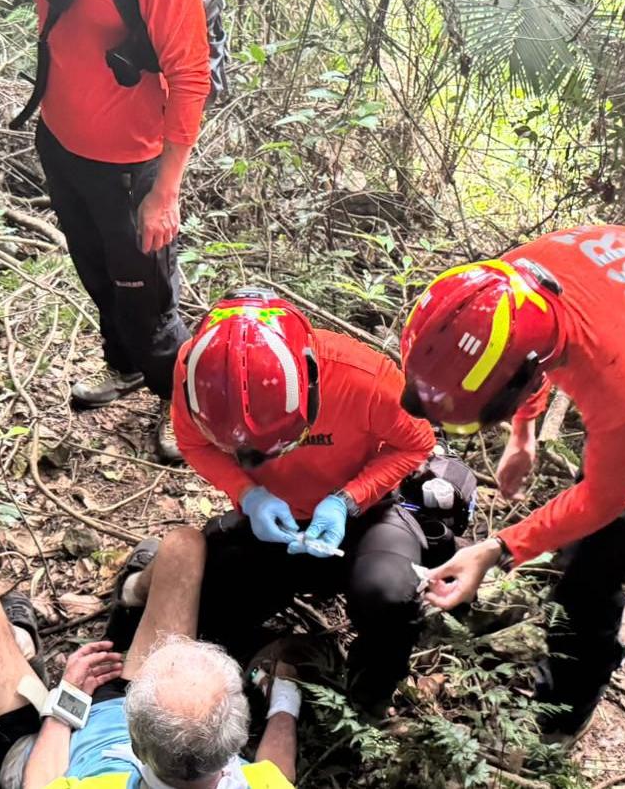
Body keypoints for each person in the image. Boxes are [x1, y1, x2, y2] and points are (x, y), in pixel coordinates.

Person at [400, 232, 625, 739]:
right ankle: (559, 575)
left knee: (595, 568)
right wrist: (524, 433)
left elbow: (603, 497)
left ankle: (565, 714)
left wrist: (498, 548)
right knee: (579, 536)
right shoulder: (499, 290)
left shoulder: (623, 386)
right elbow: (529, 359)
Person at [0, 0, 211, 461]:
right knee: (98, 274)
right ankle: (127, 367)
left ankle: (181, 401)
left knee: (147, 297)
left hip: (133, 161)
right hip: (61, 139)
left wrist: (167, 189)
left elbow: (190, 71)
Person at [164, 288, 436, 714]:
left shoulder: (362, 378)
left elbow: (416, 444)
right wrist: (248, 494)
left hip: (361, 519)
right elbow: (193, 444)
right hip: (273, 523)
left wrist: (348, 500)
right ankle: (247, 679)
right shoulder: (196, 374)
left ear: (308, 379)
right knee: (208, 598)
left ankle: (366, 707)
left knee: (391, 595)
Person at [0, 528, 301, 789]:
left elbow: (40, 783)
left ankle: (23, 643)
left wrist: (66, 704)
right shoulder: (256, 782)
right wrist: (285, 699)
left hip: (47, 746)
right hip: (147, 723)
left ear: (136, 744)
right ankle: (130, 592)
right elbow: (278, 776)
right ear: (236, 742)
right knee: (184, 545)